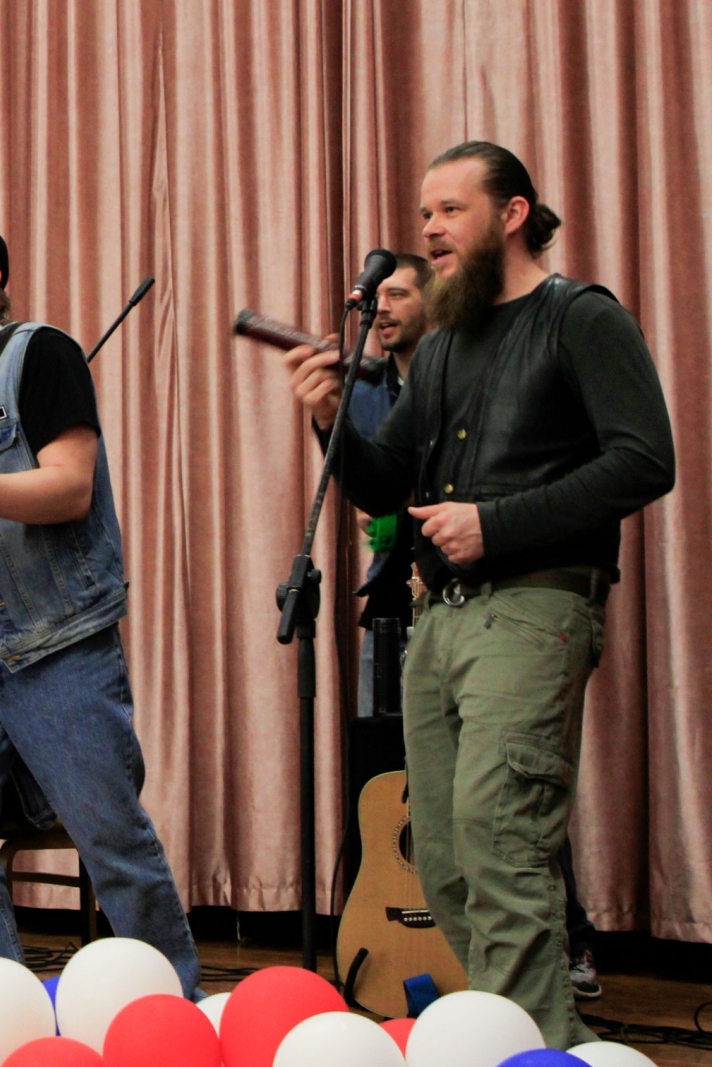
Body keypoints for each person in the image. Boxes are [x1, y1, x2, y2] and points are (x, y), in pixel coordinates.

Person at [283, 142, 674, 1047]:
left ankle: (541, 1051)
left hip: (534, 608)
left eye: (450, 209)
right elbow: (387, 484)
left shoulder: (581, 317)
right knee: (448, 859)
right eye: (425, 212)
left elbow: (644, 460)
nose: (428, 228)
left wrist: (495, 524)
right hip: (440, 621)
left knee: (502, 841)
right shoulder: (447, 344)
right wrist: (328, 418)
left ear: (513, 214)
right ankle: (511, 1037)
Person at [0, 208, 202, 992]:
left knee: (109, 835)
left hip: (52, 639)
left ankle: (176, 1002)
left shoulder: (43, 352)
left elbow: (70, 487)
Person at [330, 252, 432, 716]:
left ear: (433, 303)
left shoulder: (460, 379)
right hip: (389, 595)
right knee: (380, 748)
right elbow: (365, 489)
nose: (383, 307)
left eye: (399, 294)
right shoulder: (362, 391)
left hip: (456, 596)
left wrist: (401, 496)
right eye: (379, 297)